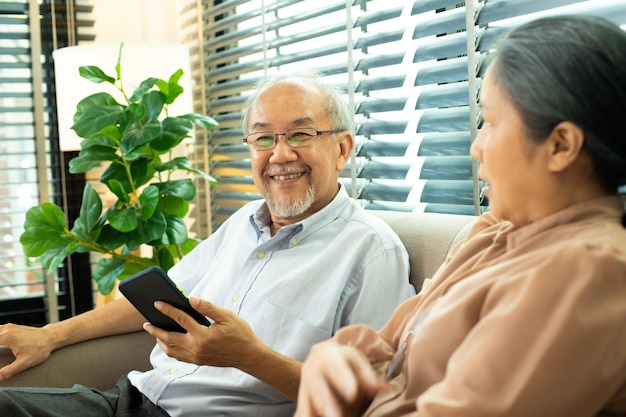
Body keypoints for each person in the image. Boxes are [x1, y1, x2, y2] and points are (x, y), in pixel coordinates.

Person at [0, 71, 415, 416]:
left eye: (300, 134)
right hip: (132, 401)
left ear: (342, 149)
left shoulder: (371, 251)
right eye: (264, 138)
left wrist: (248, 357)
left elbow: (367, 398)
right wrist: (49, 336)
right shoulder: (241, 223)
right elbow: (166, 297)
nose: (280, 154)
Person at [295, 14, 626, 417]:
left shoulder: (589, 271)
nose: (476, 147)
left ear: (560, 145)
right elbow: (391, 345)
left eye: (490, 122)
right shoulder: (490, 234)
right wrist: (333, 362)